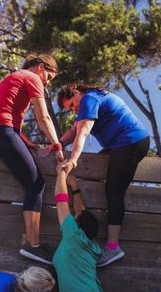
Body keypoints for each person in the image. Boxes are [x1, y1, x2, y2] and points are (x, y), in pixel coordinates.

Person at [52, 83, 150, 267]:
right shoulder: (91, 98)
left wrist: (73, 160)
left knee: (113, 191)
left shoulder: (89, 99)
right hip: (118, 145)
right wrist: (56, 145)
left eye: (72, 105)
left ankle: (113, 247)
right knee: (91, 175)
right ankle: (85, 227)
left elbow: (83, 132)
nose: (74, 110)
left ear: (76, 93)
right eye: (70, 109)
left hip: (130, 141)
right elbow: (74, 130)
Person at [0, 53, 64, 265]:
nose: (46, 82)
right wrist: (57, 145)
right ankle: (33, 245)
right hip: (3, 132)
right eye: (48, 76)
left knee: (28, 181)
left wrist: (28, 143)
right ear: (39, 67)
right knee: (36, 185)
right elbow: (43, 117)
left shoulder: (14, 76)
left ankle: (32, 243)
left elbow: (4, 114)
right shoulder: (32, 78)